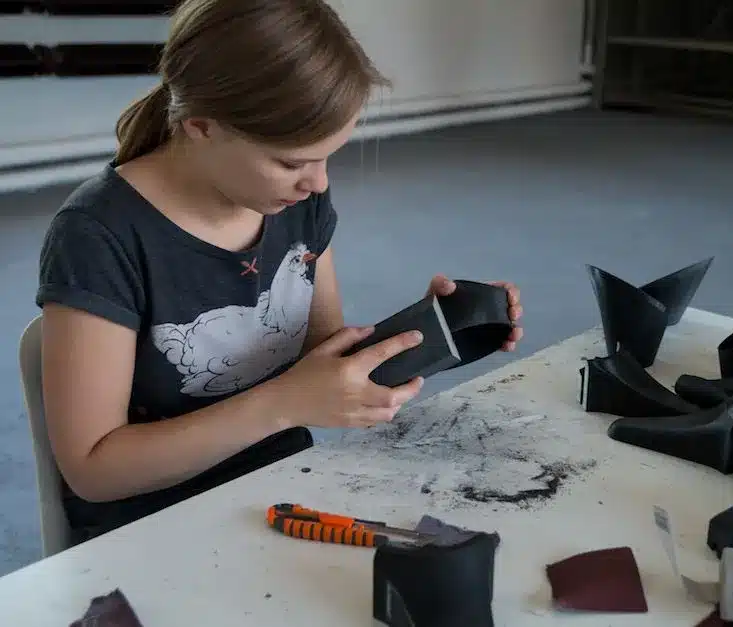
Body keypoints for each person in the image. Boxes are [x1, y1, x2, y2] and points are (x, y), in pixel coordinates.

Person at [35, 0, 523, 545]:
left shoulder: (293, 202)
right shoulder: (98, 235)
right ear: (201, 127)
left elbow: (321, 357)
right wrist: (282, 403)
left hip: (281, 490)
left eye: (328, 158)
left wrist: (427, 332)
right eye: (293, 162)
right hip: (151, 530)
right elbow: (93, 470)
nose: (316, 183)